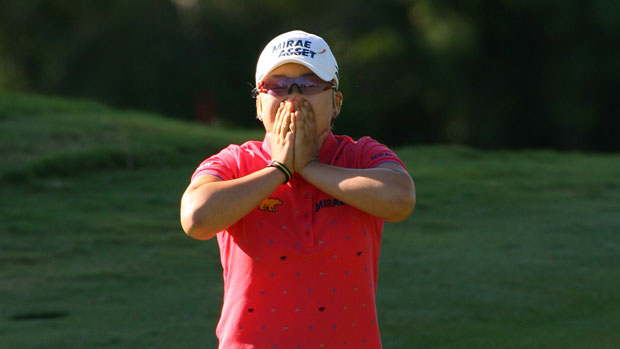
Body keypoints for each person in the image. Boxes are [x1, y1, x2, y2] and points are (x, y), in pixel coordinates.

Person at [180, 30, 415, 348]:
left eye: (310, 84)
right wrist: (279, 169)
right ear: (260, 105)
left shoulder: (360, 156)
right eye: (276, 86)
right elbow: (196, 217)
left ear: (336, 102)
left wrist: (311, 168)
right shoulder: (235, 162)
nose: (293, 95)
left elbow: (400, 198)